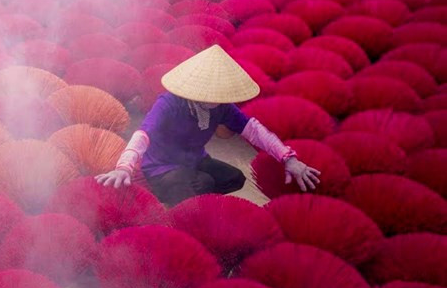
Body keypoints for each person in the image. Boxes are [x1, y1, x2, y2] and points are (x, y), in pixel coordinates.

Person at [95, 45, 321, 206]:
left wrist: (288, 158)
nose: (220, 98)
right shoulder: (170, 102)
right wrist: (124, 167)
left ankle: (190, 200)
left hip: (195, 160)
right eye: (216, 93)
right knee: (204, 183)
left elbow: (253, 129)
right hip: (161, 168)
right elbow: (143, 134)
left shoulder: (221, 106)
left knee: (234, 178)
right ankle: (174, 202)